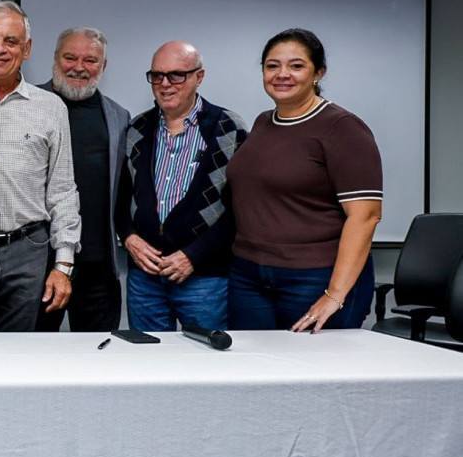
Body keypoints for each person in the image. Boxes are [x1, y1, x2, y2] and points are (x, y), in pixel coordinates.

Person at [227, 28, 382, 332]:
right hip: (249, 276)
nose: (282, 74)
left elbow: (366, 216)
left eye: (296, 66)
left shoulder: (342, 128)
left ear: (318, 73)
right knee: (253, 373)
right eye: (272, 66)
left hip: (314, 278)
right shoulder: (262, 122)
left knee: (315, 375)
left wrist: (335, 295)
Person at [0, 1, 80, 332]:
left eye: (10, 41)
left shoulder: (51, 107)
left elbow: (63, 189)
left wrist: (64, 264)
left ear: (27, 49)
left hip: (27, 252)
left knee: (16, 356)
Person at [115, 41, 247, 332]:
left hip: (204, 279)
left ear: (199, 77)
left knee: (204, 367)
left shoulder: (229, 129)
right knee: (146, 363)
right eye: (157, 75)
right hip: (145, 279)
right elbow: (121, 198)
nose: (165, 84)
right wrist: (128, 237)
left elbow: (241, 210)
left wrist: (194, 256)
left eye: (177, 75)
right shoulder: (137, 130)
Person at [37, 27, 130, 332]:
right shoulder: (29, 106)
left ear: (104, 67)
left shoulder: (118, 116)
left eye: (90, 60)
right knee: (31, 358)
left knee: (99, 360)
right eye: (70, 57)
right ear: (54, 59)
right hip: (38, 264)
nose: (79, 67)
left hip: (98, 267)